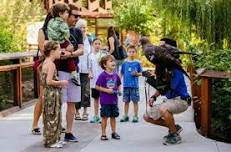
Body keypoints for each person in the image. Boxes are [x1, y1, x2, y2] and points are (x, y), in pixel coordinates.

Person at [140, 38, 192, 145]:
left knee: (164, 108)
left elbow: (167, 88)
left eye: (163, 47)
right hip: (170, 101)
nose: (159, 49)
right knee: (147, 116)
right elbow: (161, 86)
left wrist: (151, 80)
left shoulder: (175, 69)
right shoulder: (163, 67)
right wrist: (154, 96)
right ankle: (174, 127)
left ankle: (174, 135)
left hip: (181, 101)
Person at [57, 3, 84, 142]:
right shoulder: (56, 30)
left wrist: (69, 54)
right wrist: (66, 53)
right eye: (75, 15)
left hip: (74, 71)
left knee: (72, 102)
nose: (77, 18)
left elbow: (81, 50)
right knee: (58, 102)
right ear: (66, 14)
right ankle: (55, 130)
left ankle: (69, 132)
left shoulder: (77, 31)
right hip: (59, 70)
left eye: (79, 16)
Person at [41, 41, 68, 148]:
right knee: (53, 116)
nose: (60, 51)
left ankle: (54, 138)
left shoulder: (45, 62)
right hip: (52, 94)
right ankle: (51, 141)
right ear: (52, 51)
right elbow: (49, 81)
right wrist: (62, 82)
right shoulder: (51, 64)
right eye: (58, 49)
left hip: (48, 93)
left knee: (51, 115)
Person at [48, 3, 80, 86]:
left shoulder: (51, 21)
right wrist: (68, 45)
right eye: (66, 13)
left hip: (54, 42)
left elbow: (49, 32)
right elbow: (66, 34)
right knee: (70, 55)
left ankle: (55, 74)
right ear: (60, 14)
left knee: (57, 59)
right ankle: (73, 74)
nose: (67, 15)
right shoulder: (62, 23)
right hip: (61, 41)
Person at [32, 12, 52, 135]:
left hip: (57, 66)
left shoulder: (62, 31)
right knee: (42, 95)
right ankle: (35, 124)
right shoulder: (43, 31)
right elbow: (43, 49)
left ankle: (52, 123)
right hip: (45, 65)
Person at [96, 55, 121, 141]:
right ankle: (103, 134)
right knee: (104, 117)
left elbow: (119, 84)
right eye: (110, 61)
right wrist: (106, 90)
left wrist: (119, 90)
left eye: (113, 61)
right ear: (105, 65)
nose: (113, 62)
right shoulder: (102, 75)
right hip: (105, 100)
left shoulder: (115, 75)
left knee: (113, 117)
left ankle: (114, 132)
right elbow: (97, 86)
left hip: (114, 100)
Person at [120, 45, 142, 123]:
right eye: (130, 52)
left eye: (133, 52)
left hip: (134, 86)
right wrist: (119, 82)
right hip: (126, 86)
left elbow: (141, 73)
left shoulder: (137, 63)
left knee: (135, 101)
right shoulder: (124, 63)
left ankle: (135, 116)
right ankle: (125, 115)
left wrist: (137, 74)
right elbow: (121, 73)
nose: (131, 53)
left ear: (136, 53)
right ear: (127, 52)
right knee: (126, 101)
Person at [74, 19, 91, 121]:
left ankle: (85, 111)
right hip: (76, 69)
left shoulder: (89, 39)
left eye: (84, 27)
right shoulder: (75, 39)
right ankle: (77, 111)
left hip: (86, 69)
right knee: (76, 90)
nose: (83, 29)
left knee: (86, 91)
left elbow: (91, 55)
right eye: (81, 27)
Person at [88, 38, 107, 123]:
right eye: (95, 44)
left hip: (102, 81)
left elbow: (107, 67)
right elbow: (89, 68)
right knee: (96, 99)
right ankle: (96, 116)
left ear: (101, 45)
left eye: (99, 44)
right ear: (92, 45)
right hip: (94, 82)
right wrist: (90, 73)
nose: (97, 45)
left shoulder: (103, 55)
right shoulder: (90, 56)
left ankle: (103, 115)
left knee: (103, 99)